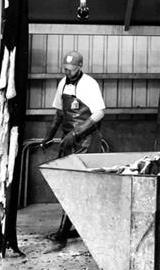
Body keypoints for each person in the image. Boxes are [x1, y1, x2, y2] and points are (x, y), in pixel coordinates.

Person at [40, 50, 106, 241]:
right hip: (68, 140)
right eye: (65, 69)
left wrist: (76, 133)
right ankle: (68, 227)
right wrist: (48, 137)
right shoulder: (62, 83)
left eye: (71, 69)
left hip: (86, 141)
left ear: (80, 67)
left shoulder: (89, 84)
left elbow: (99, 113)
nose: (67, 72)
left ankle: (74, 229)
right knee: (69, 185)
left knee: (82, 185)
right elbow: (59, 115)